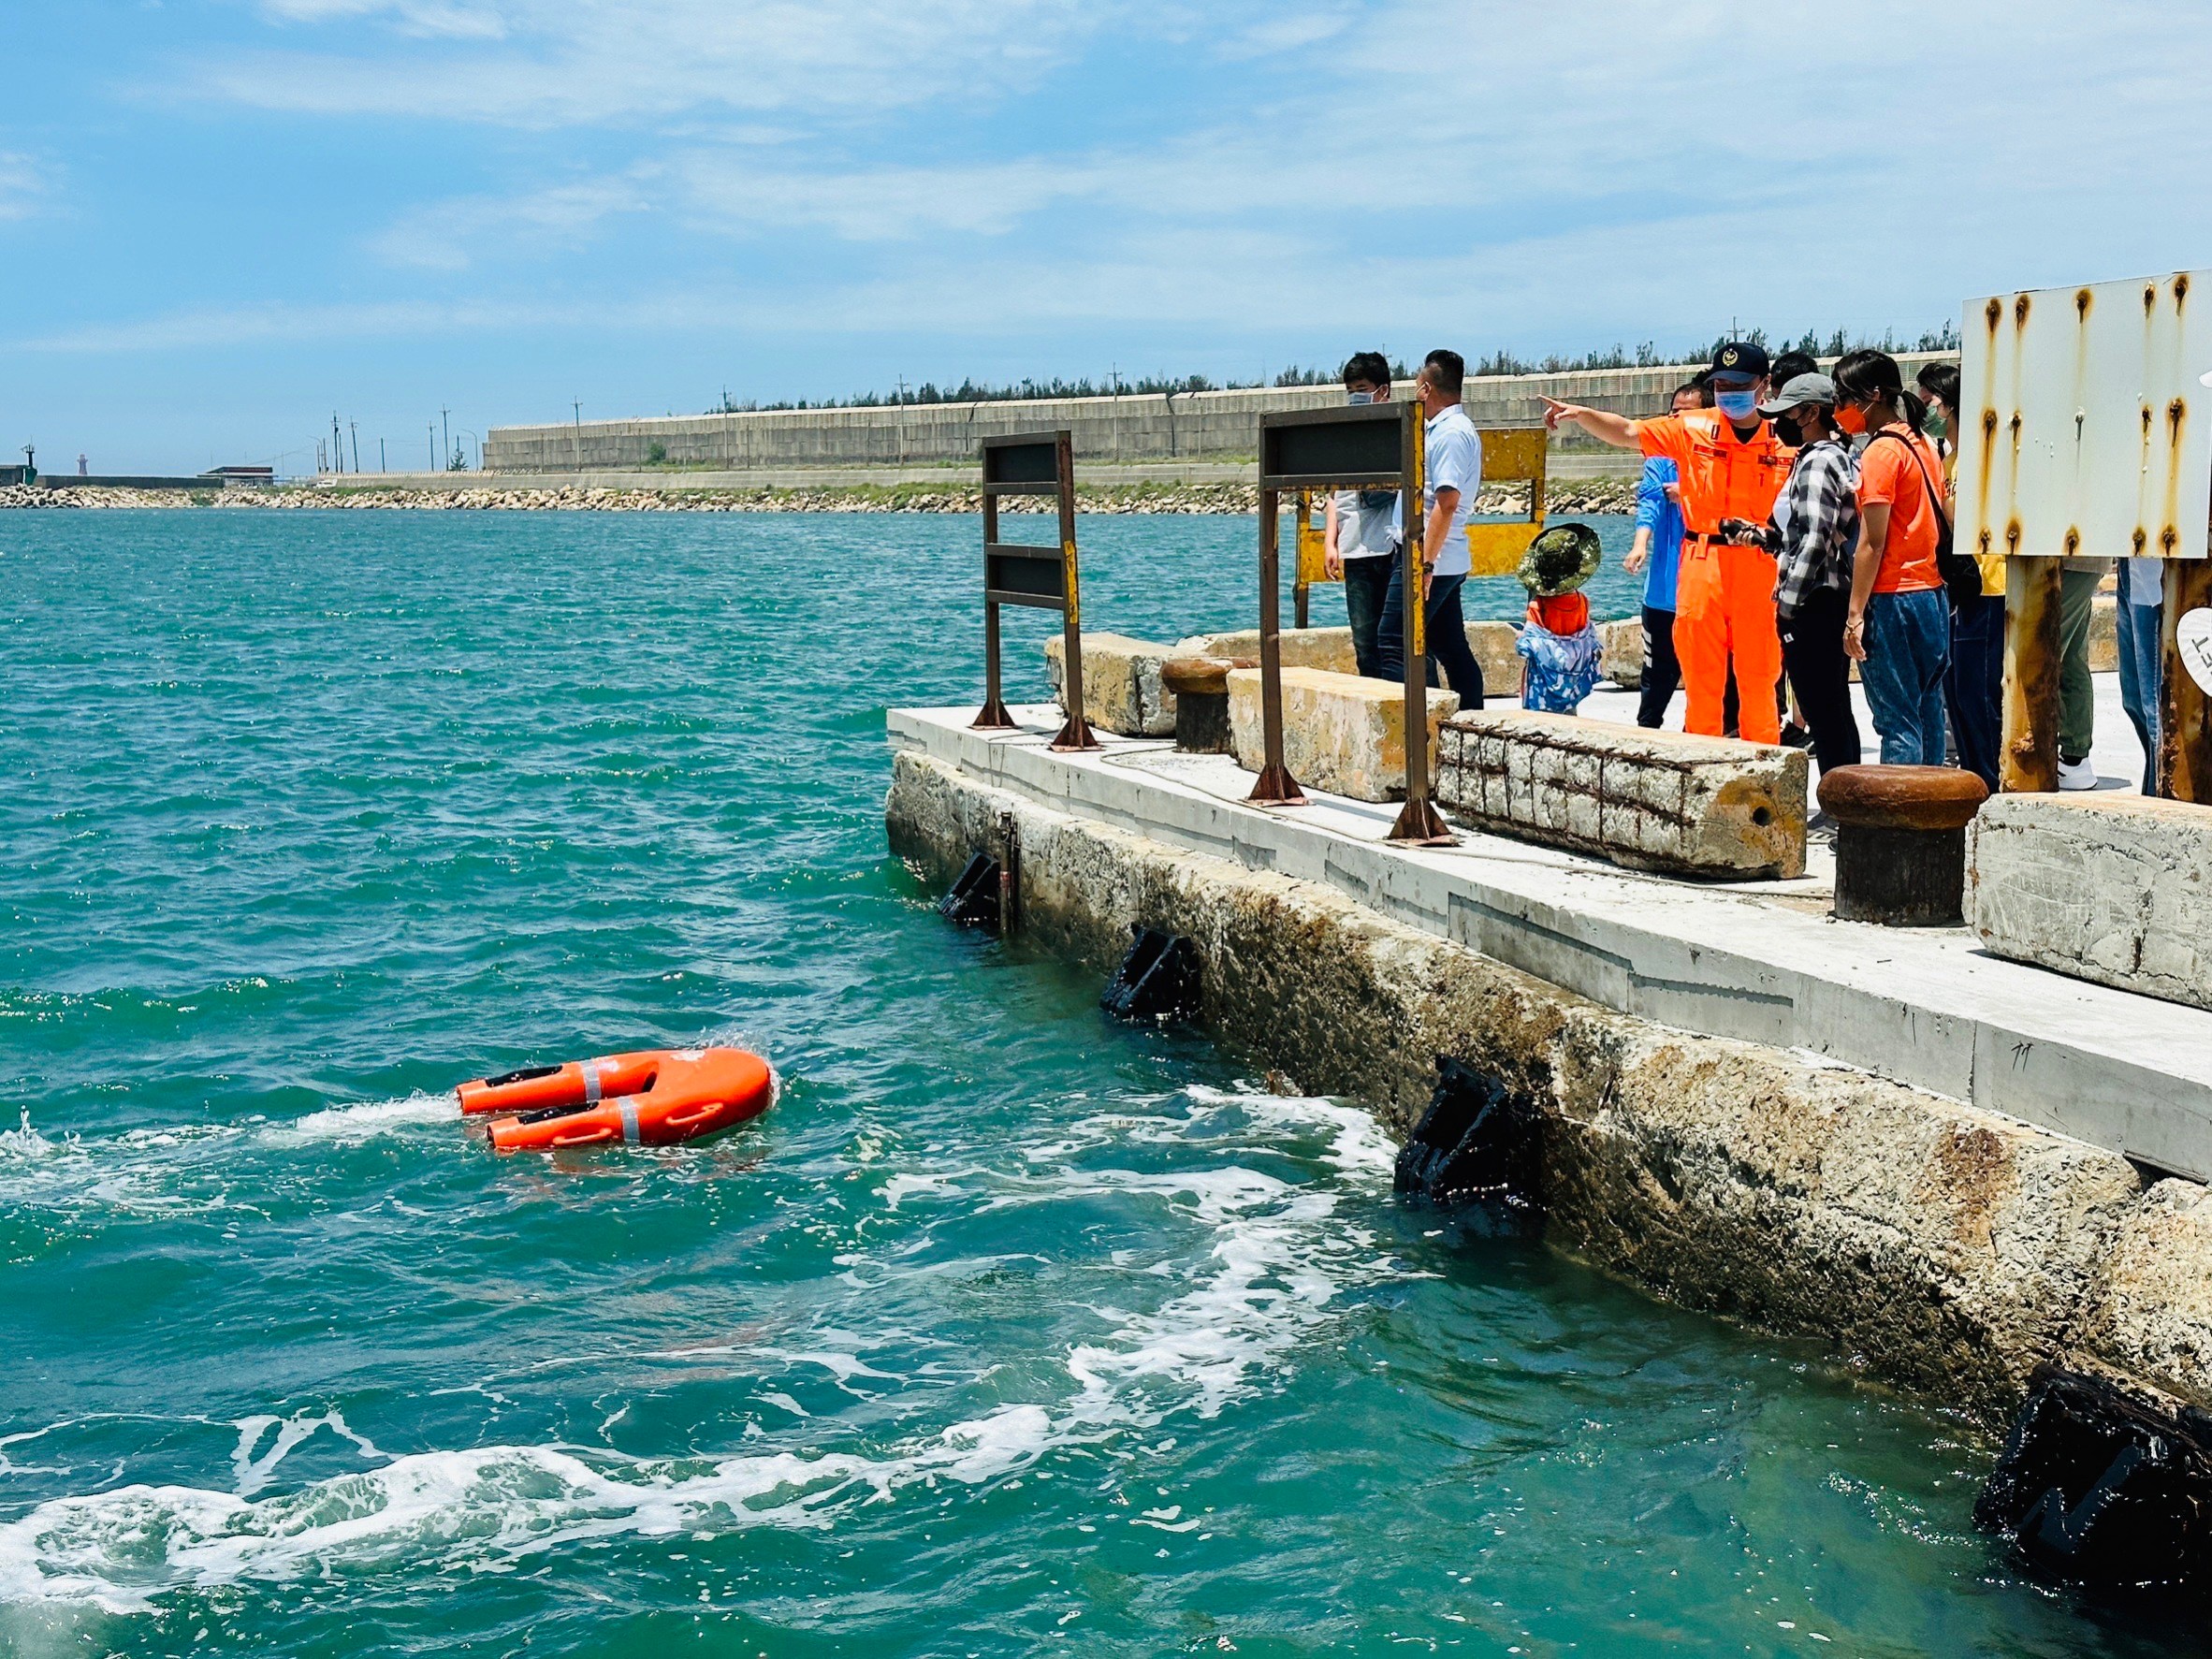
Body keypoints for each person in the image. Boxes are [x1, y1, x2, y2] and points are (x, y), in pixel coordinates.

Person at [1542, 342, 1794, 742]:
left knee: (1759, 679)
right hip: (1701, 562)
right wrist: (1582, 415)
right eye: (1723, 384)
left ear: (1764, 385)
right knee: (1701, 679)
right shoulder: (1691, 428)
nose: (1730, 391)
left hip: (1759, 567)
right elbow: (1627, 431)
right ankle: (1704, 772)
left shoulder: (1787, 436)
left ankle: (1764, 773)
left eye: (1740, 384)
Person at [1744, 372, 1863, 777]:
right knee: (1832, 706)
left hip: (1815, 602)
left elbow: (1815, 538)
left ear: (1812, 413)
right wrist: (1761, 538)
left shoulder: (1817, 460)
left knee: (1822, 708)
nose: (1782, 422)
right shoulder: (1835, 455)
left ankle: (1838, 802)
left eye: (1789, 413)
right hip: (1827, 598)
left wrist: (1788, 604)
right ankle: (1845, 798)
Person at [1836, 350, 1950, 765]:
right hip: (1931, 594)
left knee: (1897, 720)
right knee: (1928, 711)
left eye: (1844, 398)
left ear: (1872, 396)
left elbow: (1872, 542)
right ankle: (1935, 816)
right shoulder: (1921, 443)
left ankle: (1899, 825)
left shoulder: (1881, 453)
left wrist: (1854, 614)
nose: (1840, 409)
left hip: (1892, 598)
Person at [1376, 350, 1487, 703]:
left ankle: (1408, 728)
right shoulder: (1442, 429)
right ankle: (1470, 719)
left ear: (1426, 389)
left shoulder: (1451, 434)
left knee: (1394, 640)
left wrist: (1423, 565)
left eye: (1415, 386)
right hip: (1440, 558)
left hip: (1429, 558)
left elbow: (1447, 502)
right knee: (1448, 644)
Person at [1918, 360, 2001, 790]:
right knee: (1957, 693)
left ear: (1948, 405)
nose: (1923, 408)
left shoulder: (1980, 456)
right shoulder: (1948, 459)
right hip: (1962, 588)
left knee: (1977, 693)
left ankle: (1991, 781)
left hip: (1990, 584)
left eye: (1928, 400)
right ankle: (1974, 779)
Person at [1624, 381, 1706, 726]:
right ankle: (1647, 734)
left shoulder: (1719, 456)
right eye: (1674, 413)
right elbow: (1650, 501)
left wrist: (1689, 491)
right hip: (1662, 593)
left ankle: (1698, 734)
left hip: (1703, 593)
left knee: (1705, 677)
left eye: (1687, 415)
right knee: (1656, 675)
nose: (1677, 420)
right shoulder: (1659, 455)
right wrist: (1640, 543)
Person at [1323, 352, 1401, 677]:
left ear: (1383, 390)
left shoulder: (1400, 430)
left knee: (1399, 640)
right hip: (1355, 550)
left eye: (1362, 387)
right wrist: (1331, 543)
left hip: (1390, 548)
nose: (1357, 395)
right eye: (1351, 389)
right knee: (1364, 643)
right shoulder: (1343, 434)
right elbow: (1333, 493)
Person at [2117, 553, 2164, 793]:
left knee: (2154, 706)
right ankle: (2152, 787)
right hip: (2130, 560)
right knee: (2133, 698)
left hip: (2156, 566)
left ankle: (2161, 793)